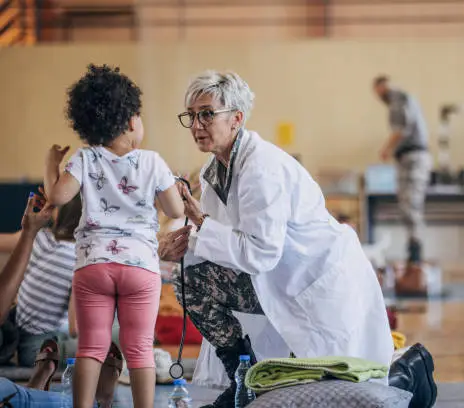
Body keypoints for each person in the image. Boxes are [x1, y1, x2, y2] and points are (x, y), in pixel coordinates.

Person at [158, 70, 437, 408]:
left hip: (316, 281)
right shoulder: (213, 170)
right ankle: (242, 380)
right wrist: (180, 243)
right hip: (280, 278)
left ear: (236, 119)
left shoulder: (261, 168)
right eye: (191, 116)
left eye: (206, 114)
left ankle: (409, 370)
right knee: (192, 279)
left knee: (348, 386)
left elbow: (259, 252)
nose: (197, 125)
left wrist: (197, 229)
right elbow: (222, 240)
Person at [43, 64, 184, 408]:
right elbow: (176, 210)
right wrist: (173, 188)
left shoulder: (84, 158)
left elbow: (57, 198)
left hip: (93, 264)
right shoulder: (152, 161)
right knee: (139, 348)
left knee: (92, 345)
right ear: (133, 120)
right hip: (140, 267)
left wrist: (51, 165)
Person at [0, 192, 121, 408]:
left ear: (57, 214)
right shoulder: (81, 257)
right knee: (116, 330)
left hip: (14, 330)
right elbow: (77, 327)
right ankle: (99, 393)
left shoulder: (39, 238)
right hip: (38, 347)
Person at [373, 75, 431, 269]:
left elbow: (400, 130)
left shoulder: (397, 100)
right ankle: (413, 251)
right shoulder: (403, 99)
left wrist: (385, 149)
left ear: (381, 88)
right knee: (408, 206)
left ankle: (416, 254)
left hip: (413, 158)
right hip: (411, 157)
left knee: (411, 205)